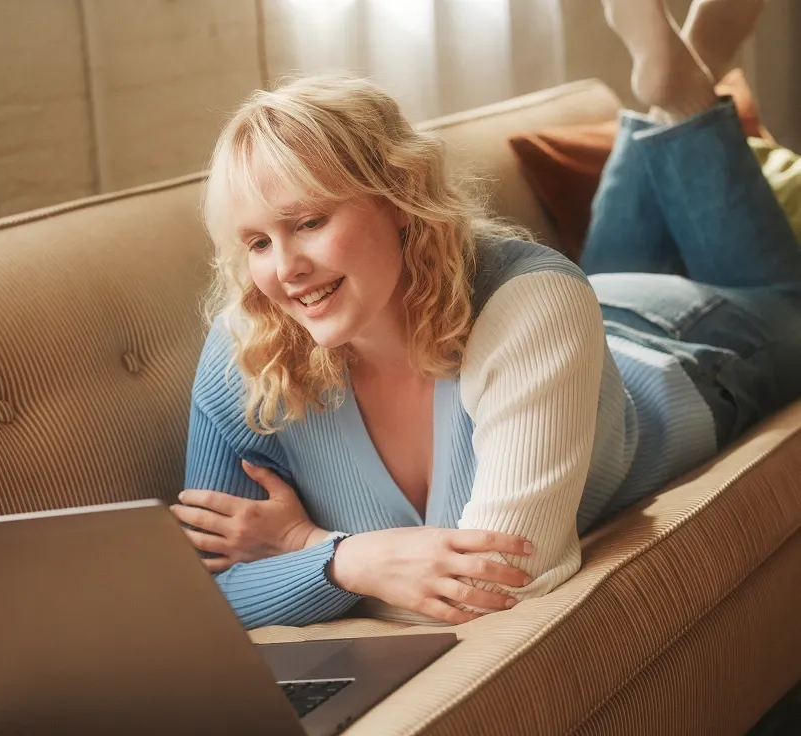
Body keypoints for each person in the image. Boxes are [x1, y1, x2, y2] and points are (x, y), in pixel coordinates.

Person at [174, 0, 801, 629]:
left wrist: (308, 547)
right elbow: (206, 599)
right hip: (566, 329)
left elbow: (497, 583)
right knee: (587, 280)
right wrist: (350, 563)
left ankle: (684, 100)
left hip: (670, 344)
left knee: (789, 301)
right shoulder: (246, 350)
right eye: (258, 242)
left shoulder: (539, 304)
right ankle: (679, 90)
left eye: (310, 222)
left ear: (399, 196)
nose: (284, 269)